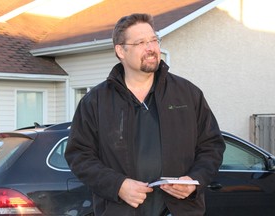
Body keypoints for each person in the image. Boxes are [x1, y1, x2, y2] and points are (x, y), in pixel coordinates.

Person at [65, 13, 225, 216]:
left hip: (180, 210)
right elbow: (79, 155)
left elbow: (212, 145)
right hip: (121, 211)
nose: (151, 48)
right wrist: (118, 186)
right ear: (120, 51)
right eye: (140, 42)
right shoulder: (96, 101)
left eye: (153, 40)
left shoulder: (187, 94)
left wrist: (195, 180)